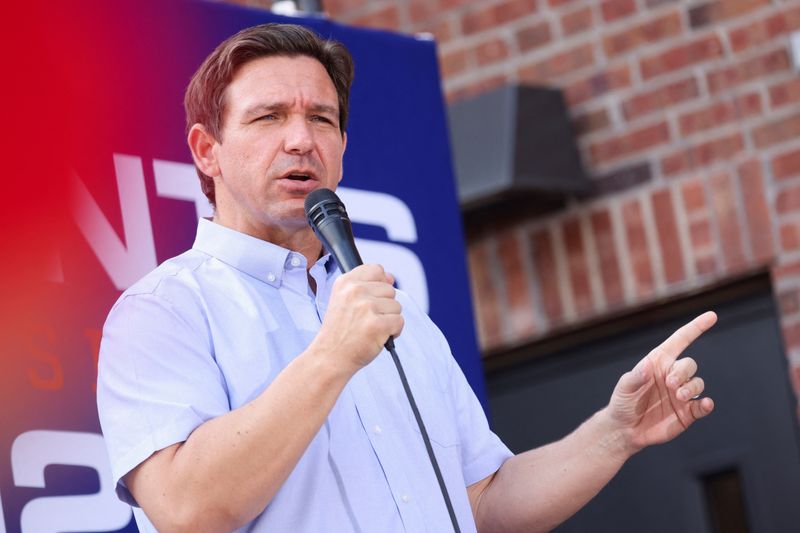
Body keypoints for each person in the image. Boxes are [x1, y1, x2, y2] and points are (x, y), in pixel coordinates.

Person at [97, 23, 716, 533]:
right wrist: (332, 356)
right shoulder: (162, 312)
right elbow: (186, 509)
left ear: (341, 144)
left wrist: (615, 433)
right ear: (207, 151)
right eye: (268, 118)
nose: (300, 140)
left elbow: (481, 503)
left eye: (321, 118)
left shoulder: (394, 315)